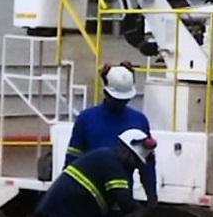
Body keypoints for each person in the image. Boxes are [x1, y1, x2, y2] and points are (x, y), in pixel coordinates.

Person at [65, 62, 158, 204]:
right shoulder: (86, 119)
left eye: (124, 99)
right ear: (106, 93)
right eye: (117, 99)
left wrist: (152, 200)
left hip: (122, 202)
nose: (121, 103)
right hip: (91, 201)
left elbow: (147, 167)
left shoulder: (139, 121)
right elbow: (72, 161)